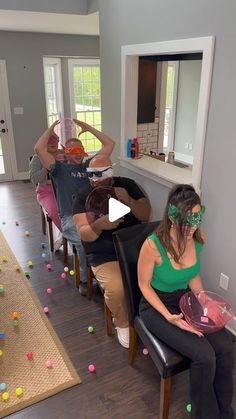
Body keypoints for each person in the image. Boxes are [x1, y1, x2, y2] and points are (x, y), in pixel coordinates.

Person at [138, 184, 234, 419]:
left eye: (196, 220)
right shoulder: (153, 245)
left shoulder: (198, 239)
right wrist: (168, 316)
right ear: (172, 218)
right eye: (187, 222)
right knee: (204, 356)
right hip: (156, 306)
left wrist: (204, 301)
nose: (192, 228)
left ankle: (225, 412)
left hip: (185, 300)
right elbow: (144, 285)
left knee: (225, 346)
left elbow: (192, 275)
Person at [73, 154, 152, 348]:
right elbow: (85, 234)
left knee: (159, 277)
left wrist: (129, 201)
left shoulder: (127, 185)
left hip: (134, 247)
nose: (95, 180)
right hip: (103, 253)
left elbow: (146, 214)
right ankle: (123, 323)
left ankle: (151, 318)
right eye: (91, 175)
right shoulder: (83, 195)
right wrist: (99, 225)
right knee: (117, 287)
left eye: (100, 174)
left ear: (111, 171)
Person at [34, 119, 115, 295]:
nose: (77, 153)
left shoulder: (89, 166)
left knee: (110, 233)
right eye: (72, 150)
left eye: (80, 149)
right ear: (66, 152)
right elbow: (39, 149)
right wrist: (51, 129)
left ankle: (105, 275)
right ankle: (86, 281)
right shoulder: (59, 169)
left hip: (92, 213)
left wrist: (89, 128)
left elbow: (110, 144)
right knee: (82, 240)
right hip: (70, 216)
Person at [29, 133, 64, 250]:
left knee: (76, 207)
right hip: (46, 192)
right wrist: (45, 167)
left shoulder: (63, 154)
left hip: (63, 188)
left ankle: (67, 234)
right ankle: (68, 235)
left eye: (56, 140)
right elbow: (34, 179)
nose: (54, 143)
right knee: (56, 210)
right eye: (50, 140)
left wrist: (69, 158)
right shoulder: (37, 157)